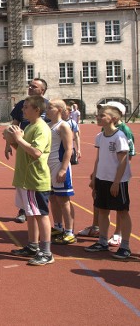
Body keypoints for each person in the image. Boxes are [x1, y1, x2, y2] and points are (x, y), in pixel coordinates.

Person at [5, 95, 54, 266]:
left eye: (26, 107)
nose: (22, 110)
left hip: (35, 179)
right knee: (30, 214)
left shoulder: (41, 128)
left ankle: (47, 252)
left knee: (41, 214)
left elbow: (37, 153)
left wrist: (18, 138)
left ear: (37, 110)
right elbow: (22, 149)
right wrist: (12, 140)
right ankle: (33, 245)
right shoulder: (30, 126)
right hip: (24, 178)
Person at [78, 101, 134, 247]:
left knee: (122, 211)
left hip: (116, 181)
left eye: (102, 115)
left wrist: (116, 182)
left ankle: (125, 245)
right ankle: (102, 241)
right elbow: (98, 159)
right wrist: (95, 178)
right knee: (102, 210)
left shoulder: (119, 136)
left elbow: (123, 162)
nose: (98, 117)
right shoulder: (100, 136)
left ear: (113, 119)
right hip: (102, 179)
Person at [6, 77, 49, 223]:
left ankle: (41, 214)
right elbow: (14, 125)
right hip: (24, 145)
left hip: (41, 148)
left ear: (42, 90)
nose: (30, 88)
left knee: (38, 183)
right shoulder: (22, 106)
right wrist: (9, 142)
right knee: (26, 181)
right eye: (29, 86)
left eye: (34, 86)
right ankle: (24, 210)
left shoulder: (47, 107)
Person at [45, 100, 76, 245]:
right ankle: (58, 226)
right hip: (48, 167)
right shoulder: (48, 125)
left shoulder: (63, 126)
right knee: (53, 198)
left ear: (59, 109)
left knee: (64, 200)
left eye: (50, 107)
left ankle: (69, 231)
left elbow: (69, 148)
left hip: (59, 166)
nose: (47, 109)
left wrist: (63, 168)